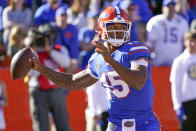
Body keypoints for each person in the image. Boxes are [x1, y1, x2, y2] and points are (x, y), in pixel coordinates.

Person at [30, 6, 161, 131]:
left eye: (122, 26)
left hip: (144, 124)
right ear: (102, 29)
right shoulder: (98, 58)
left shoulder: (136, 49)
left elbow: (138, 81)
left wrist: (110, 60)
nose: (118, 31)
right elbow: (71, 82)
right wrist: (41, 68)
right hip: (116, 124)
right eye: (113, 26)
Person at [25, 31, 71, 131]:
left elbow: (66, 63)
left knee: (63, 125)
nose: (42, 42)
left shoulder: (59, 49)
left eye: (45, 39)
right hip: (38, 91)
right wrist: (34, 51)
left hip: (56, 90)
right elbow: (33, 74)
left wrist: (49, 51)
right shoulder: (33, 52)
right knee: (41, 127)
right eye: (40, 39)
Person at [145, 0, 189, 66]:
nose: (170, 9)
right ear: (163, 8)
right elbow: (149, 44)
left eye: (172, 7)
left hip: (176, 62)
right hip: (158, 62)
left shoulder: (182, 22)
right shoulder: (155, 22)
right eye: (168, 7)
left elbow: (185, 44)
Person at [170, 31, 196, 131]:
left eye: (195, 41)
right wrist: (178, 106)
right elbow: (175, 85)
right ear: (185, 42)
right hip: (187, 103)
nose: (192, 44)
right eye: (190, 41)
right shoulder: (179, 61)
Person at [54, 6, 79, 73]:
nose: (63, 18)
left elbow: (74, 45)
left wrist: (74, 58)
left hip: (69, 58)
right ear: (56, 17)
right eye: (61, 16)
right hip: (56, 56)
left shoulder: (72, 28)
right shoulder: (52, 28)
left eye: (65, 16)